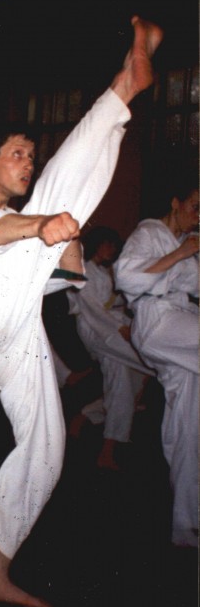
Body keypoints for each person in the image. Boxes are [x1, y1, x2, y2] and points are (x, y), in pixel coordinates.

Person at [0, 16, 163, 607]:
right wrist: (41, 225)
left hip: (17, 330)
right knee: (53, 203)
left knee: (48, 448)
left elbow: (56, 276)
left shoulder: (22, 221)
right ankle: (123, 89)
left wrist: (66, 240)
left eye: (32, 155)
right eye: (16, 154)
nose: (27, 162)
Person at [114, 175, 199, 547]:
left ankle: (186, 523)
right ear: (176, 202)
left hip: (177, 327)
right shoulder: (149, 232)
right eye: (195, 207)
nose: (198, 216)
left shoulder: (186, 242)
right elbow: (126, 276)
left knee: (187, 428)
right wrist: (180, 254)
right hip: (157, 320)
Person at [67, 226, 155, 470]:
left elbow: (117, 301)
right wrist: (120, 328)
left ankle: (89, 421)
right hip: (98, 330)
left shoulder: (107, 270)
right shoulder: (83, 270)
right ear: (96, 244)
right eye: (107, 243)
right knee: (152, 363)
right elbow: (93, 309)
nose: (111, 249)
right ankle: (106, 444)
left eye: (113, 245)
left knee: (124, 383)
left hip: (115, 325)